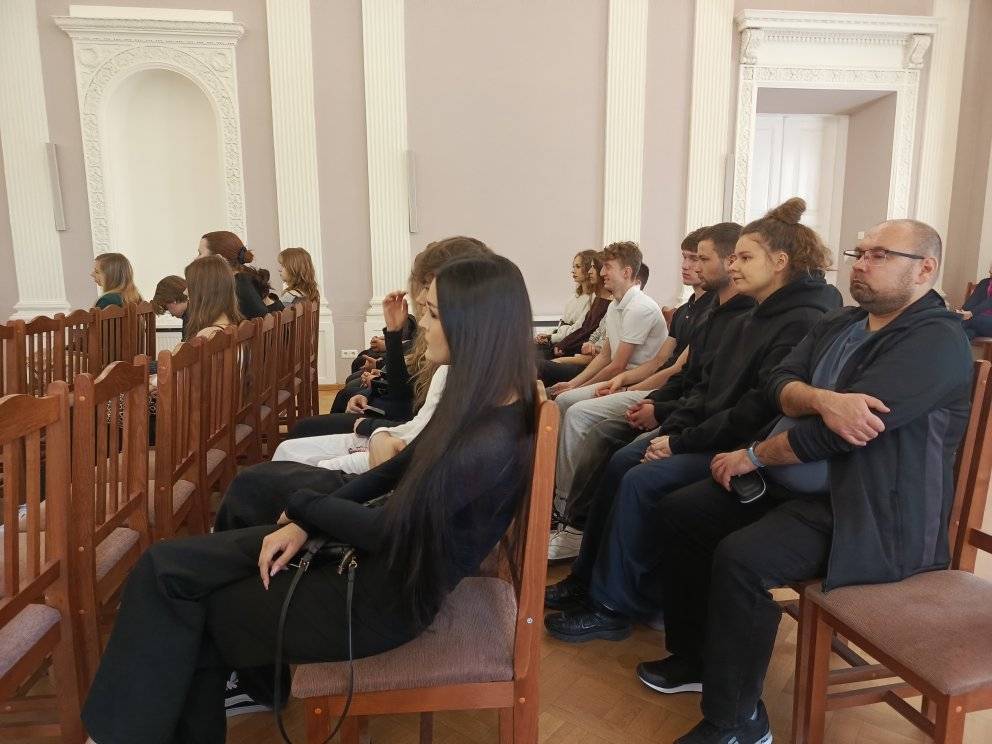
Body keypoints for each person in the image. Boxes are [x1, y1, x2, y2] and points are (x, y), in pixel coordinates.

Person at [81, 254, 537, 744]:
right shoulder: (480, 405)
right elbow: (396, 471)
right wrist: (305, 519)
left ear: (473, 325)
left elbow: (391, 529)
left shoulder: (489, 440)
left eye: (432, 313)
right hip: (373, 566)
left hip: (379, 599)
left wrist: (305, 507)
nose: (422, 324)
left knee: (190, 605)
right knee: (164, 568)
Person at [649, 219, 970, 744]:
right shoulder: (843, 321)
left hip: (867, 510)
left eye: (879, 255)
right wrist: (822, 399)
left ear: (925, 269)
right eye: (859, 252)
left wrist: (755, 454)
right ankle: (697, 660)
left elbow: (839, 436)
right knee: (681, 512)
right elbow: (776, 382)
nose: (861, 264)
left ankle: (738, 723)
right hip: (795, 485)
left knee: (744, 559)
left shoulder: (935, 340)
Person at [544, 198, 841, 643]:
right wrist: (673, 426)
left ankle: (613, 605)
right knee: (623, 461)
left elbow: (756, 409)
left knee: (638, 475)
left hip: (749, 451)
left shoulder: (801, 320)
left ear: (780, 262)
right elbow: (704, 385)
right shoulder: (752, 313)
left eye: (743, 257)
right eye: (733, 257)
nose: (732, 265)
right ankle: (587, 580)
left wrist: (679, 439)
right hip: (715, 432)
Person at [547, 224, 736, 561]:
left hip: (668, 396)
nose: (687, 265)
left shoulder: (710, 312)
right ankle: (564, 508)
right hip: (661, 391)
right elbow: (664, 362)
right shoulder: (690, 309)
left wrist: (637, 391)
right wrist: (621, 386)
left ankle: (569, 514)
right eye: (686, 257)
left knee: (583, 417)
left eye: (697, 258)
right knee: (571, 404)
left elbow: (679, 374)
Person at [285, 236, 492, 438]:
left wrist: (366, 422)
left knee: (305, 429)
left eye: (427, 287)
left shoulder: (459, 364)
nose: (420, 298)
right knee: (326, 413)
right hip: (394, 424)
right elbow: (403, 397)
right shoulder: (441, 347)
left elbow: (412, 421)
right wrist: (393, 334)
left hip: (395, 428)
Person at [545, 243, 665, 400]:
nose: (602, 273)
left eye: (607, 267)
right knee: (562, 397)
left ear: (626, 272)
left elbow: (618, 366)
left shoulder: (639, 308)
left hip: (638, 384)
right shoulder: (614, 305)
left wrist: (577, 389)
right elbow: (605, 356)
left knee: (566, 400)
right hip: (619, 378)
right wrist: (572, 384)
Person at [535, 250, 596, 354]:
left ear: (589, 268)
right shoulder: (575, 296)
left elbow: (577, 329)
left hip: (570, 344)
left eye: (578, 267)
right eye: (573, 267)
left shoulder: (592, 298)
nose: (573, 271)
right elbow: (562, 324)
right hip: (560, 339)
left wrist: (551, 337)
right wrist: (547, 334)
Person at [198, 230, 269, 319]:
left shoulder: (234, 288)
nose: (196, 259)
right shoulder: (246, 278)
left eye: (200, 253)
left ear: (219, 259)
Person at [184, 256, 245, 341]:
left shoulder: (208, 335)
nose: (185, 292)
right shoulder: (235, 326)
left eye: (189, 286)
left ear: (205, 291)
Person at [958, 261, 992, 338]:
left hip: (984, 321)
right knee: (967, 334)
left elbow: (990, 302)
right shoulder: (984, 282)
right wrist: (963, 312)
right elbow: (972, 300)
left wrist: (971, 313)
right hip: (979, 323)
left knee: (966, 320)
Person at [150, 275, 189, 340]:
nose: (171, 314)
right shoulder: (191, 313)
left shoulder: (191, 318)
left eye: (166, 307)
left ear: (173, 300)